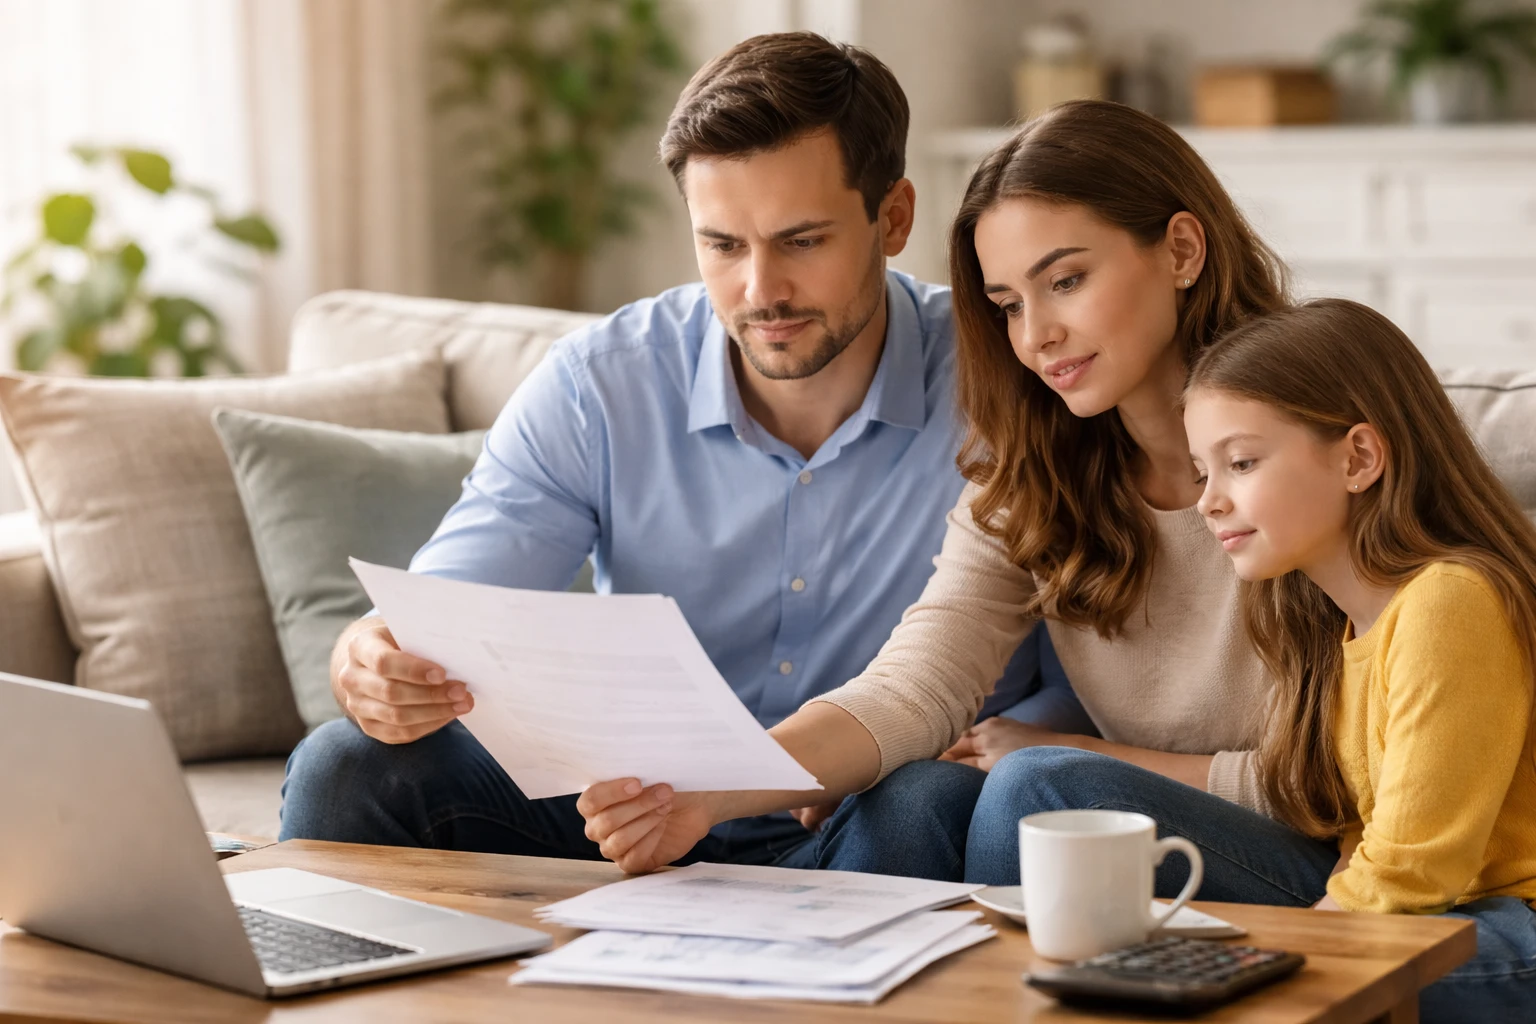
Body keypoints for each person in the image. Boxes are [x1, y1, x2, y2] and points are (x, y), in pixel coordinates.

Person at [278, 32, 1074, 873]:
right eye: (723, 246)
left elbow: (1097, 655)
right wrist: (368, 658)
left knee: (933, 802)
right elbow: (443, 611)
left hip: (864, 809)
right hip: (629, 808)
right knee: (348, 765)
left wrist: (1001, 735)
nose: (760, 291)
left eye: (802, 241)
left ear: (895, 218)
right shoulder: (601, 384)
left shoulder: (1012, 377)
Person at [577, 100, 1305, 887]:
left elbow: (1362, 779)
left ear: (1183, 250)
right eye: (1009, 306)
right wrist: (705, 792)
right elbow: (918, 684)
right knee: (968, 789)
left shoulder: (1320, 435)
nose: (1036, 337)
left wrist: (1090, 759)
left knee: (1034, 792)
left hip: (1344, 860)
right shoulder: (1037, 475)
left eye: (1065, 280)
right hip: (1168, 849)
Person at [1170, 299, 1536, 1023]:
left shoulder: (1448, 601)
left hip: (1509, 920)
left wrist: (1285, 951)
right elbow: (1362, 841)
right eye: (1200, 473)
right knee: (1047, 788)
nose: (1209, 502)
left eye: (1240, 462)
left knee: (1241, 985)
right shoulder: (1336, 625)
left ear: (1359, 458)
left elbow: (1411, 868)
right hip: (1427, 906)